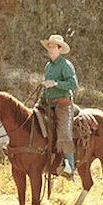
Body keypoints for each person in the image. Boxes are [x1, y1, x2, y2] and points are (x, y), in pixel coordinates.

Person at [40, 34, 79, 177]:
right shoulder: (48, 66)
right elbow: (46, 88)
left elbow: (74, 84)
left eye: (53, 46)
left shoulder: (66, 65)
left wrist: (56, 84)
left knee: (64, 132)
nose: (50, 48)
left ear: (59, 48)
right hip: (48, 103)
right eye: (49, 46)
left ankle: (70, 165)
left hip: (63, 104)